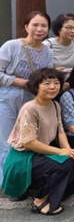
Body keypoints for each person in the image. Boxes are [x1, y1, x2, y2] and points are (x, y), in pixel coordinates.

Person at [2, 68, 74, 215]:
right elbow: (29, 143)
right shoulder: (30, 108)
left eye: (56, 83)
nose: (52, 87)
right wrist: (61, 151)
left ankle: (49, 195)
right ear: (36, 86)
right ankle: (39, 199)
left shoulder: (55, 105)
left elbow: (60, 131)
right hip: (23, 157)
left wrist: (69, 150)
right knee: (63, 164)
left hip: (40, 153)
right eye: (47, 83)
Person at [0, 11, 54, 186]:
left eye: (43, 25)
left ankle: (25, 180)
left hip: (32, 101)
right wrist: (20, 82)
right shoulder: (11, 46)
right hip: (7, 99)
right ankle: (7, 183)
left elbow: (47, 76)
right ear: (26, 27)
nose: (39, 29)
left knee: (27, 141)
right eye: (35, 25)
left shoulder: (48, 52)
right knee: (7, 142)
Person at [43, 13, 74, 82]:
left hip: (70, 82)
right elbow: (39, 69)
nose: (73, 31)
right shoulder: (47, 45)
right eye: (68, 28)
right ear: (59, 29)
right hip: (51, 82)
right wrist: (54, 71)